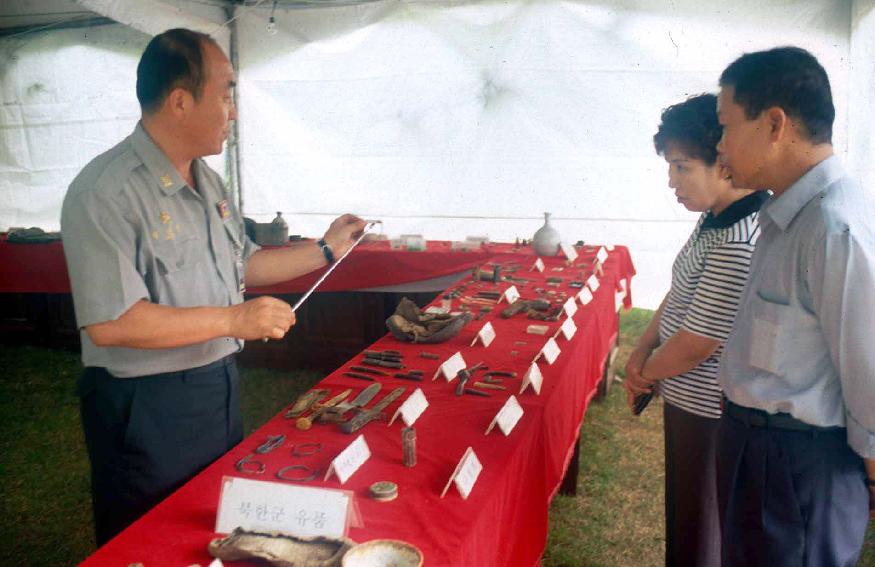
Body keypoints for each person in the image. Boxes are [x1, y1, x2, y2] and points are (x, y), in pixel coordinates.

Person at [60, 28, 366, 545]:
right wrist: (233, 319)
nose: (234, 110)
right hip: (144, 404)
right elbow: (113, 323)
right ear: (180, 101)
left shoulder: (209, 182)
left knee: (208, 526)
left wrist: (328, 249)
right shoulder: (105, 191)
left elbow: (242, 265)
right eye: (226, 93)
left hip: (213, 385)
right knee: (146, 538)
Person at [715, 46, 875, 567]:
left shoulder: (834, 226)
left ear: (776, 123)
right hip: (758, 451)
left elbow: (870, 373)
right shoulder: (787, 213)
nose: (720, 147)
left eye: (727, 126)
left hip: (800, 467)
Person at [624, 93, 767, 567]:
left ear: (722, 163)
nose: (672, 181)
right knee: (688, 520)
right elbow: (681, 289)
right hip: (688, 400)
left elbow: (697, 343)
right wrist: (643, 347)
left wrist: (643, 372)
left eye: (682, 168)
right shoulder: (714, 218)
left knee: (701, 527)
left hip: (711, 411)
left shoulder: (739, 237)